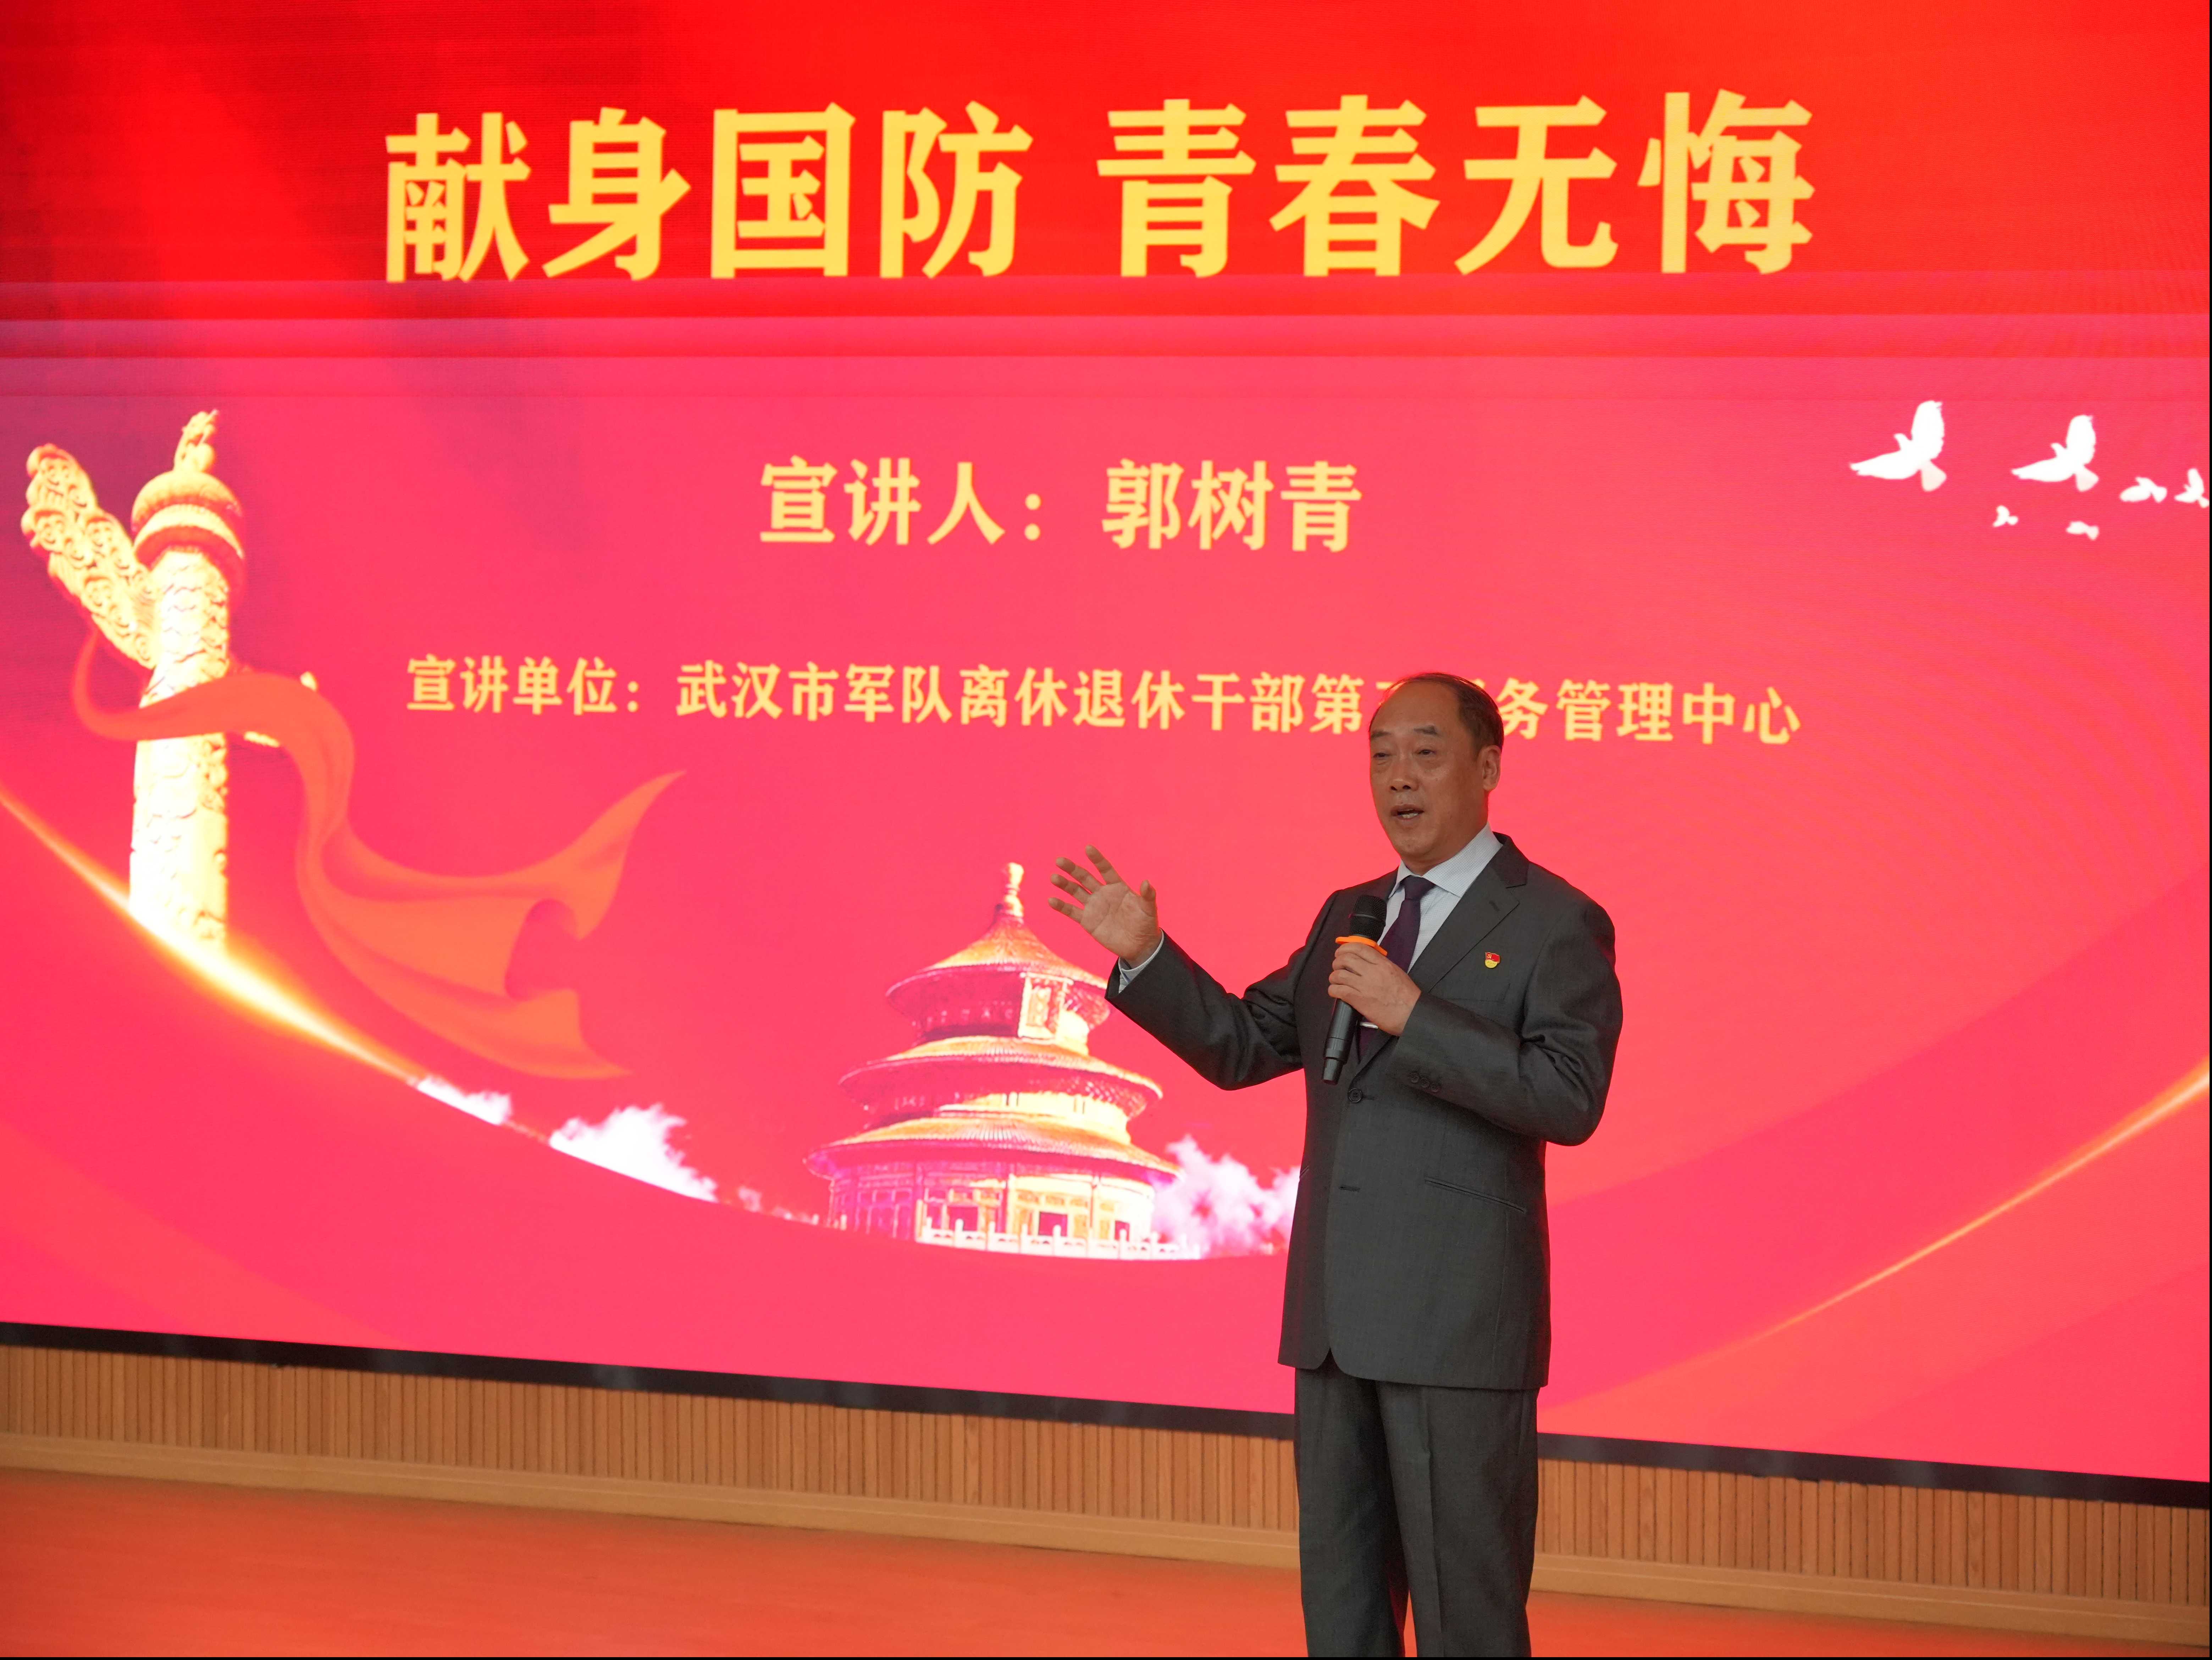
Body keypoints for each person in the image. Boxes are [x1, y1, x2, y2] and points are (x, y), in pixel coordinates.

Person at [1050, 673, 1622, 1658]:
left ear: (1487, 767)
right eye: (1380, 754)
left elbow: (1568, 1096)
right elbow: (1242, 1045)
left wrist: (1414, 1016)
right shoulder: (1350, 914)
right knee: (1343, 1612)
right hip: (1334, 1325)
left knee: (1468, 1621)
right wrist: (1147, 955)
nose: (1399, 777)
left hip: (1456, 1328)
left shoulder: (1553, 920)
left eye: (1426, 753)